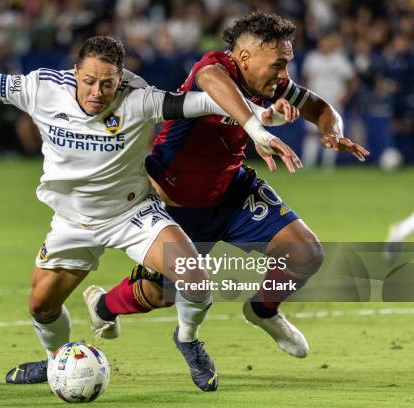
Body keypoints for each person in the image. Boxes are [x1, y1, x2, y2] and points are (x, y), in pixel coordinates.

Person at [0, 17, 300, 392]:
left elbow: (202, 102)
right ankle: (58, 363)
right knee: (41, 306)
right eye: (89, 81)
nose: (97, 92)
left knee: (196, 278)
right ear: (74, 72)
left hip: (132, 214)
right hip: (72, 221)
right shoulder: (41, 89)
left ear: (120, 79)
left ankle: (188, 340)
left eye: (107, 84)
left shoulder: (139, 98)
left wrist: (261, 117)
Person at [82, 11, 370, 366]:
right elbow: (212, 81)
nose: (284, 75)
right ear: (244, 57)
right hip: (175, 202)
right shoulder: (214, 68)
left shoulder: (274, 85)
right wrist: (257, 127)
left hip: (231, 191)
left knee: (306, 254)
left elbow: (320, 107)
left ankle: (263, 311)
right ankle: (102, 305)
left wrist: (332, 131)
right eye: (278, 64)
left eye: (287, 65)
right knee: (159, 295)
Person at [301, 29, 357, 168]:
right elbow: (305, 79)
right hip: (315, 102)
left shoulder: (340, 60)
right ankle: (308, 164)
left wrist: (345, 97)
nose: (325, 43)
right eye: (323, 41)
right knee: (312, 133)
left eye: (328, 41)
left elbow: (352, 80)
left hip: (334, 102)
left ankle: (328, 166)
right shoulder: (312, 58)